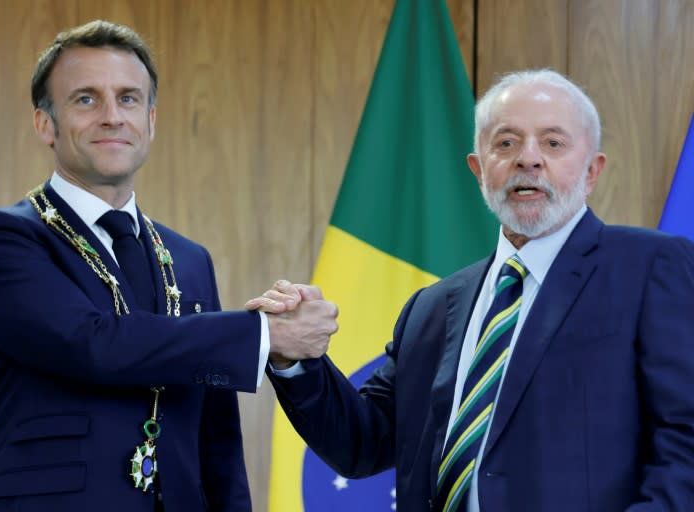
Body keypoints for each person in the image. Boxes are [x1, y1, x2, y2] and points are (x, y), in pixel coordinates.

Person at [250, 69, 694, 511]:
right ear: (479, 169)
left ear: (592, 170)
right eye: (506, 143)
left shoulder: (651, 267)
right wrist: (294, 358)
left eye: (553, 143)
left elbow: (685, 442)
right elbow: (362, 444)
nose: (528, 159)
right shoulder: (432, 307)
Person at [0, 20, 337, 512]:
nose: (112, 117)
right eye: (86, 99)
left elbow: (216, 438)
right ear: (44, 124)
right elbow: (89, 342)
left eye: (129, 99)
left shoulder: (190, 258)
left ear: (151, 120)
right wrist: (264, 335)